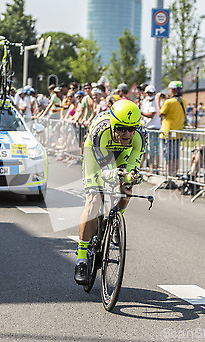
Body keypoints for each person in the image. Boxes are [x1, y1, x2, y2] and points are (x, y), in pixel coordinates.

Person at [74, 100, 147, 285]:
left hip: (121, 155)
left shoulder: (141, 135)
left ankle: (115, 221)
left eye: (132, 129)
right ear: (114, 125)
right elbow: (105, 170)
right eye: (122, 129)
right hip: (97, 154)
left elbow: (133, 164)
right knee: (94, 201)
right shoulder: (101, 130)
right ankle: (81, 258)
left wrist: (131, 175)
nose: (128, 134)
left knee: (127, 188)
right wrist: (115, 173)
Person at [156, 81, 186, 178]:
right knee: (176, 155)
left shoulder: (168, 102)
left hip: (167, 132)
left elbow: (160, 113)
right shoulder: (182, 101)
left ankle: (169, 175)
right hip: (178, 132)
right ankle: (174, 174)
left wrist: (158, 100)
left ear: (172, 90)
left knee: (168, 155)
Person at [140, 85, 161, 172]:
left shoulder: (156, 102)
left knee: (153, 150)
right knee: (144, 150)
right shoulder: (144, 101)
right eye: (147, 92)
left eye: (151, 93)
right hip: (146, 128)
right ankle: (139, 168)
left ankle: (154, 168)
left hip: (154, 129)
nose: (149, 94)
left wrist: (141, 113)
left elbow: (152, 114)